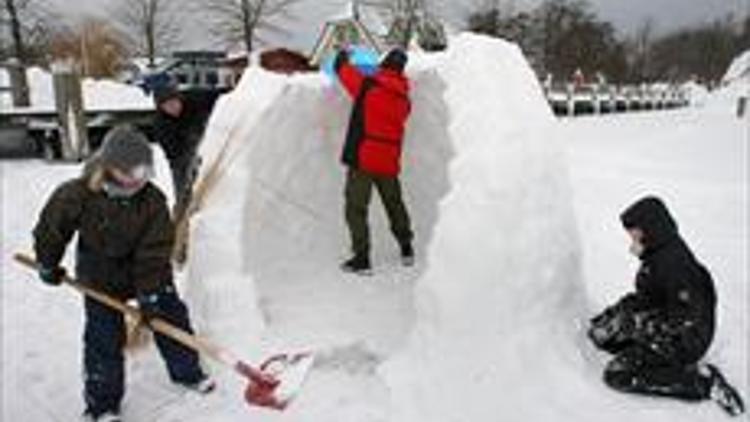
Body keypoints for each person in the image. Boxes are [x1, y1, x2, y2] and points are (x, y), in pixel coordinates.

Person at [32, 126, 214, 422]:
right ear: (110, 167)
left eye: (142, 171)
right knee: (103, 338)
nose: (137, 179)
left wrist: (152, 292)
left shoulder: (152, 200)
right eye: (130, 172)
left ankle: (188, 372)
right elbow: (52, 230)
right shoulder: (77, 194)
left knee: (170, 317)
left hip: (146, 272)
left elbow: (155, 250)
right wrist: (47, 263)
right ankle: (102, 404)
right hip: (99, 277)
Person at [588, 196, 744, 417]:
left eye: (635, 232)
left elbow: (685, 319)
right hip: (666, 324)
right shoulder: (656, 254)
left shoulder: (676, 265)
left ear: (651, 228)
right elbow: (648, 297)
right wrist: (617, 314)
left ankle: (704, 382)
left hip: (687, 339)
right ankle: (638, 340)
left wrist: (639, 324)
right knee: (603, 338)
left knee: (618, 373)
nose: (632, 237)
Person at [333, 47, 415, 275]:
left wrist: (343, 57)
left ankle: (362, 258)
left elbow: (342, 70)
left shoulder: (369, 85)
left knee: (356, 207)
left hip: (364, 156)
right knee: (394, 203)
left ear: (384, 64)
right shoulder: (404, 99)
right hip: (389, 159)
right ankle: (406, 247)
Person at [151, 83, 220, 221]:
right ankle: (181, 221)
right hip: (179, 158)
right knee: (183, 194)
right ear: (161, 108)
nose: (173, 107)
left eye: (174, 102)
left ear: (179, 98)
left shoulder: (195, 99)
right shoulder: (162, 126)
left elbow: (220, 95)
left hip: (205, 143)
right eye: (167, 105)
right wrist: (191, 161)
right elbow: (175, 155)